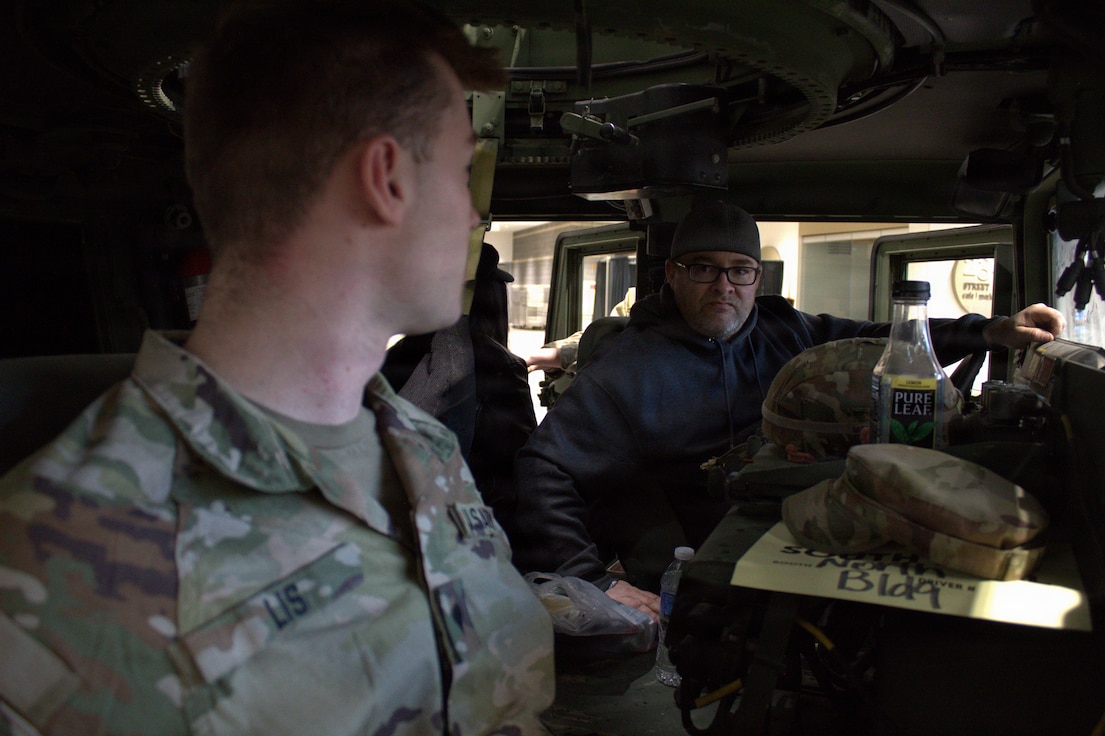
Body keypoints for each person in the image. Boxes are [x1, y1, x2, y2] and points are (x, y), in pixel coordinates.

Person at [0, 2, 554, 735]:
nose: (471, 217)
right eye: (460, 172)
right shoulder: (48, 579)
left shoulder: (423, 446)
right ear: (386, 177)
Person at [507, 198, 1066, 620]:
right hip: (699, 556)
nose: (723, 286)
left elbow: (880, 339)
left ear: (756, 279)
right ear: (673, 274)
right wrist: (590, 580)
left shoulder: (784, 329)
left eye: (739, 270)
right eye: (703, 268)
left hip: (796, 521)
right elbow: (540, 471)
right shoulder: (627, 372)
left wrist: (992, 331)